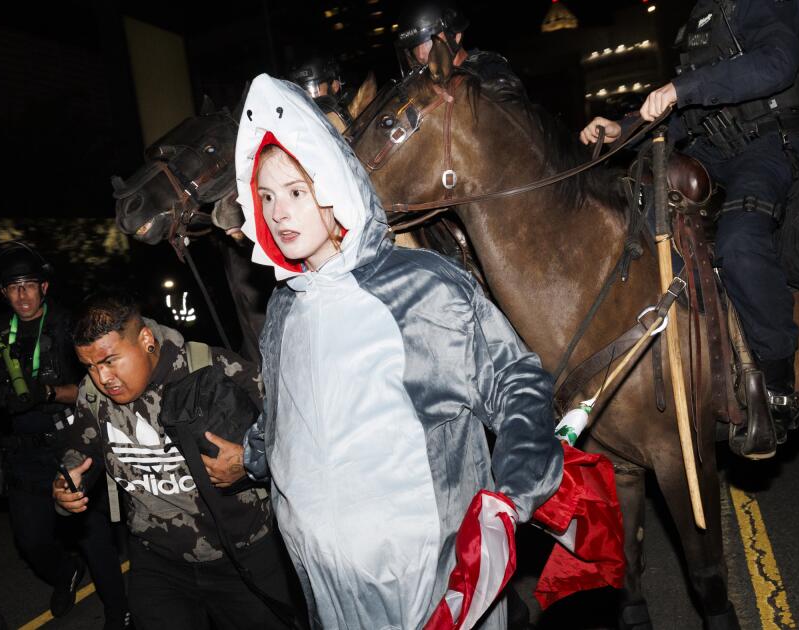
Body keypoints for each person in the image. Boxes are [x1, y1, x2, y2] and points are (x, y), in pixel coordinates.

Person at [233, 74, 563, 629]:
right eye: (266, 197)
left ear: (333, 184)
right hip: (329, 586)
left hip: (433, 582)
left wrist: (516, 486)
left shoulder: (421, 285)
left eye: (295, 192)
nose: (279, 213)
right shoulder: (285, 309)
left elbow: (515, 379)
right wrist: (251, 454)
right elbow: (285, 416)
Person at [579, 0, 799, 458]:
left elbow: (778, 63)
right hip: (713, 150)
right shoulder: (703, 15)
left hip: (770, 143)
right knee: (638, 218)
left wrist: (682, 87)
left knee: (740, 240)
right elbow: (683, 114)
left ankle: (778, 384)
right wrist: (623, 128)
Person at [53, 291, 301, 630]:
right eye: (90, 366)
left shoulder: (214, 368)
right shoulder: (93, 394)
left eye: (110, 361)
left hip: (243, 552)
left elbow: (296, 435)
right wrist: (68, 480)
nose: (103, 378)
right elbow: (83, 445)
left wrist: (250, 461)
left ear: (146, 340)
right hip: (157, 557)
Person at [0, 242, 130, 627]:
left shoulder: (69, 326)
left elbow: (94, 389)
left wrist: (49, 393)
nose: (22, 295)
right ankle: (65, 572)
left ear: (43, 287)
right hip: (22, 454)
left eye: (29, 285)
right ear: (3, 292)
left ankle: (118, 611)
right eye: (13, 287)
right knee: (31, 540)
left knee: (93, 536)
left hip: (69, 443)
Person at [395, 0, 525, 99]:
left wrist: (454, 92)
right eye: (413, 48)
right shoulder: (419, 87)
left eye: (429, 42)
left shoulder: (490, 69)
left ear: (456, 37)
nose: (420, 55)